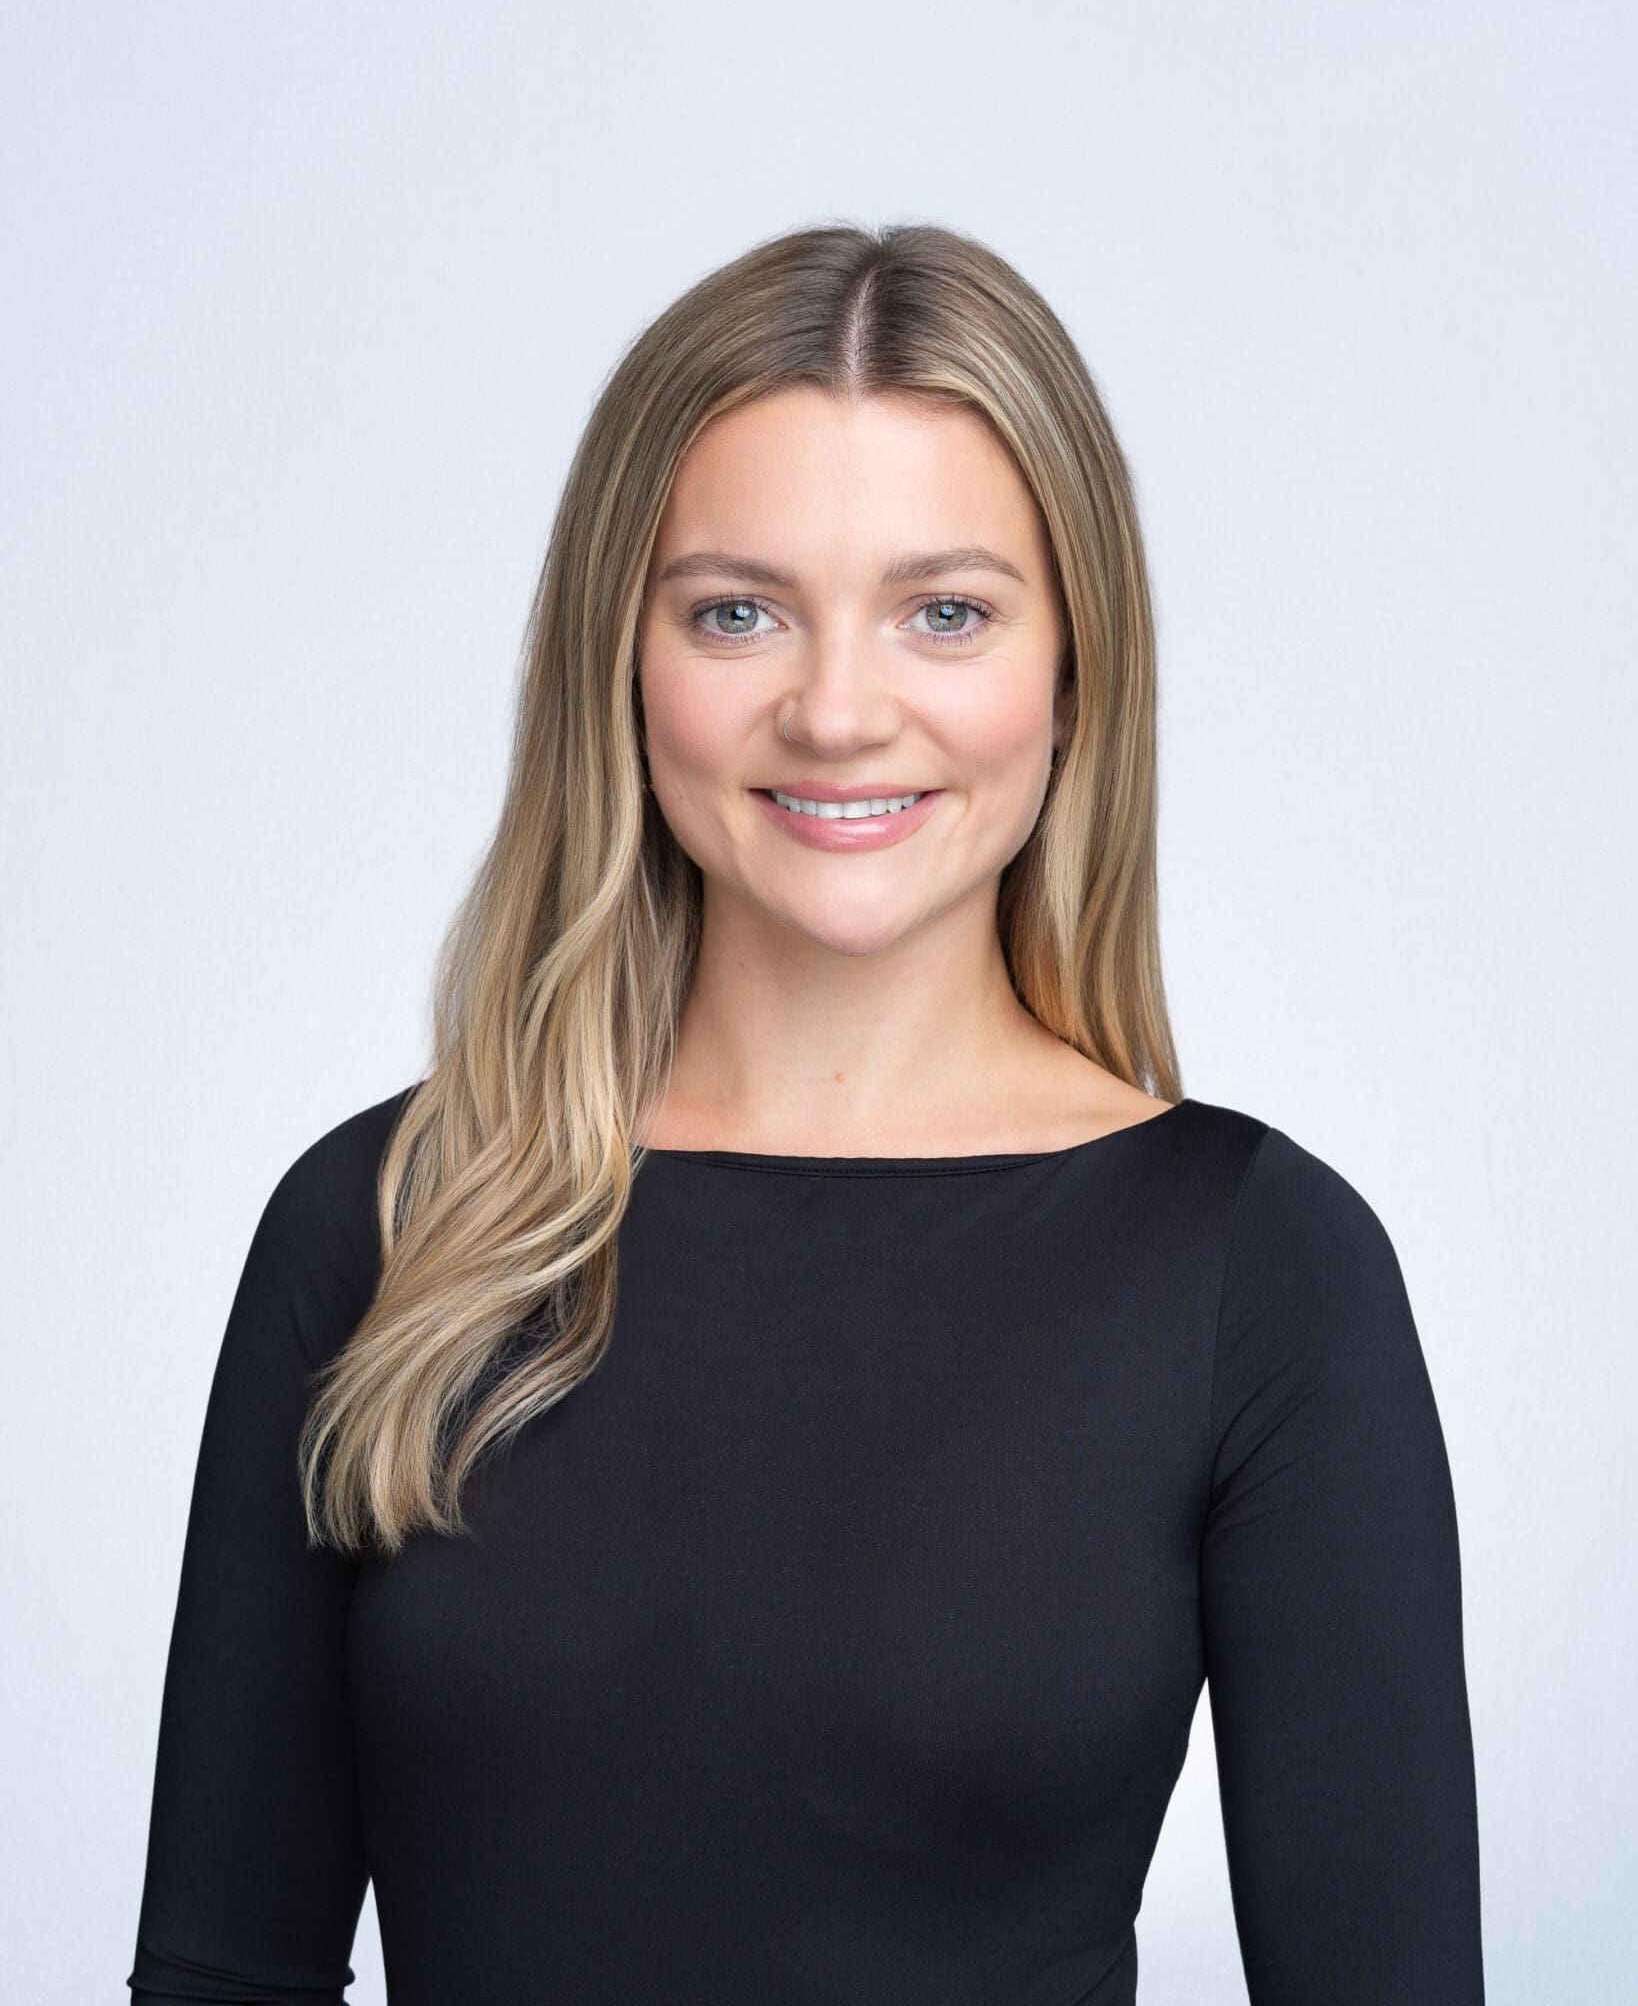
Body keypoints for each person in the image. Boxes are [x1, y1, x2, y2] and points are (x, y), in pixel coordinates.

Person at [127, 221, 1485, 2004]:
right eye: (736, 610)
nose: (838, 710)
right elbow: (224, 1973)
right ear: (621, 658)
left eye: (946, 611)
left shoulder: (1256, 1267)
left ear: (1073, 675)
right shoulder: (386, 1222)